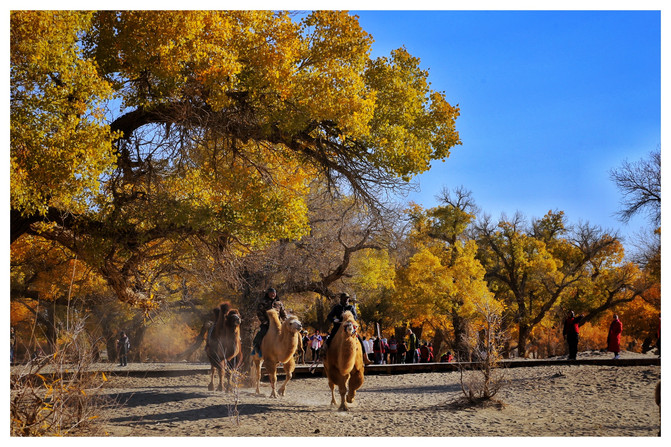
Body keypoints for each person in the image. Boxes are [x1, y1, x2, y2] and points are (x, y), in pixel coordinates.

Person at [324, 292, 371, 365]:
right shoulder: (337, 307)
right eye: (345, 299)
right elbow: (329, 316)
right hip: (338, 326)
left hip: (350, 326)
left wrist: (350, 319)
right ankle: (324, 355)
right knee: (330, 338)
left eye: (347, 299)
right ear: (341, 299)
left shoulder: (351, 307)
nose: (346, 300)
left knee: (359, 339)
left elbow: (355, 317)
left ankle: (365, 357)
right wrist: (334, 320)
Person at [251, 287, 287, 357]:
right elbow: (259, 312)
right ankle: (256, 348)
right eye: (271, 293)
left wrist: (285, 320)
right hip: (267, 324)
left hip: (278, 324)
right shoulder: (263, 302)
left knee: (286, 333)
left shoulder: (279, 303)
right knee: (261, 333)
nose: (273, 294)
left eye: (274, 293)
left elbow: (283, 313)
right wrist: (264, 321)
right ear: (268, 294)